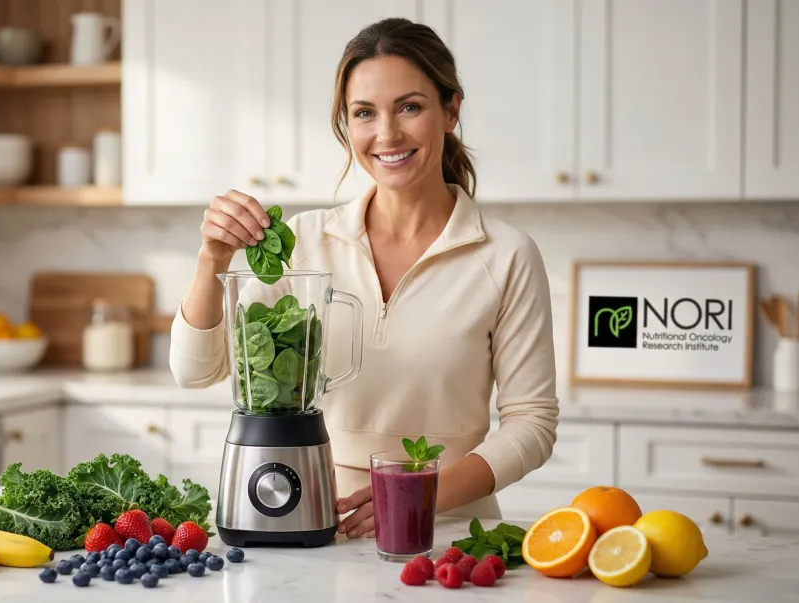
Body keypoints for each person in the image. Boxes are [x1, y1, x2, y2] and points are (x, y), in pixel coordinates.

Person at [168, 17, 559, 539]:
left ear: (451, 110)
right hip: (309, 522)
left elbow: (532, 423)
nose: (387, 134)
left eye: (410, 107)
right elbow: (196, 372)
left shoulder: (506, 255)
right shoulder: (302, 241)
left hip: (447, 534)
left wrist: (420, 492)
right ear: (347, 125)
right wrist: (212, 260)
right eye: (364, 113)